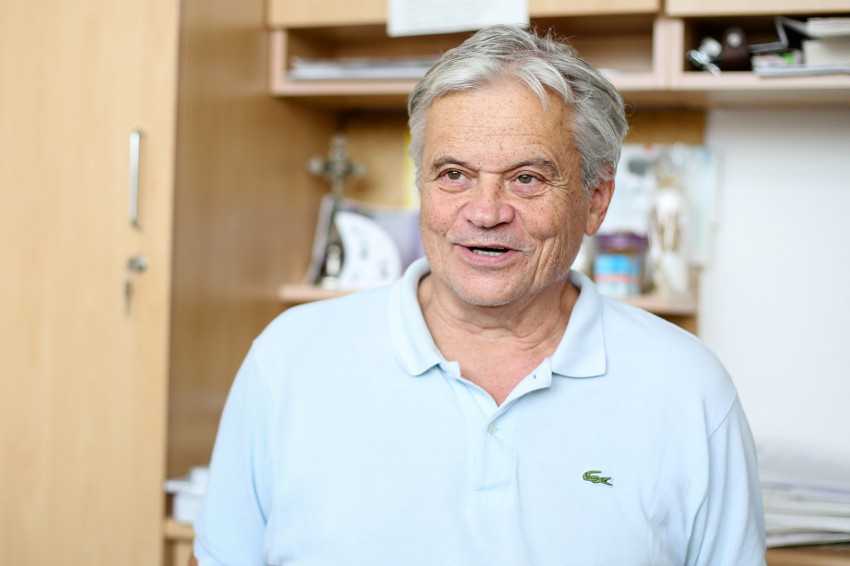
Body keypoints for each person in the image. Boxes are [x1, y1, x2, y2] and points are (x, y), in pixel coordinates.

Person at [193, 24, 766, 565]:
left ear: (596, 201)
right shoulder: (289, 359)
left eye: (527, 178)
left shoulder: (687, 389)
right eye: (454, 174)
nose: (486, 213)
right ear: (421, 185)